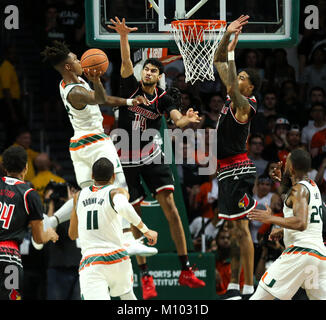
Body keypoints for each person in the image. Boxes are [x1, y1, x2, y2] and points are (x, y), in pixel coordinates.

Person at [108, 16, 206, 299]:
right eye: (147, 69)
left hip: (151, 154)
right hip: (126, 157)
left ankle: (185, 268)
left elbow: (176, 120)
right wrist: (124, 37)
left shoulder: (164, 98)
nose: (149, 72)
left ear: (159, 77)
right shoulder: (131, 88)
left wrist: (187, 120)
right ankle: (146, 276)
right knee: (134, 215)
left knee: (171, 209)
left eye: (153, 70)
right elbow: (126, 62)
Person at [40, 41, 155, 257]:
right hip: (95, 143)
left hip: (79, 145)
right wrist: (97, 81)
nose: (79, 60)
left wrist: (130, 102)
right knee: (119, 186)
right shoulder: (76, 91)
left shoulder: (68, 83)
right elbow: (100, 98)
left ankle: (52, 221)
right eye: (75, 59)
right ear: (67, 66)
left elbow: (103, 100)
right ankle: (127, 239)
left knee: (85, 195)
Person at [213, 14, 261, 300]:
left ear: (250, 87)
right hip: (225, 171)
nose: (238, 78)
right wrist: (225, 38)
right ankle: (233, 285)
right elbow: (218, 62)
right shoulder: (233, 97)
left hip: (239, 170)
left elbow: (230, 83)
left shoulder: (247, 105)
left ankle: (249, 286)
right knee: (233, 232)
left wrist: (232, 51)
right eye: (239, 75)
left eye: (243, 77)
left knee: (243, 232)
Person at [68, 158, 158, 300]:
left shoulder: (78, 196)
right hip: (118, 258)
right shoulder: (115, 192)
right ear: (114, 176)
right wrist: (146, 231)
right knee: (128, 296)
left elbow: (72, 235)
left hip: (93, 261)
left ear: (92, 176)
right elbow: (123, 207)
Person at [248, 149, 326, 300]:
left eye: (287, 161)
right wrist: (284, 230)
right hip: (319, 257)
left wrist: (270, 218)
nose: (284, 164)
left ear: (291, 168)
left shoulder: (298, 190)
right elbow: (309, 218)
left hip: (300, 254)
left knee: (259, 296)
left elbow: (301, 222)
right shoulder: (312, 186)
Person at [0, 146, 58, 300]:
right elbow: (38, 238)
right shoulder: (29, 194)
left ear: (3, 167)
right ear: (26, 168)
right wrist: (49, 234)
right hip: (9, 258)